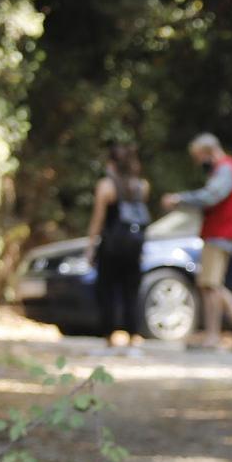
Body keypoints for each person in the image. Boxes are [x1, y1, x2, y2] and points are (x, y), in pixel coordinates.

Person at [160, 133, 232, 348]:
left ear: (209, 152)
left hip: (220, 234)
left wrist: (179, 199)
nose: (197, 162)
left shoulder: (225, 169)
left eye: (198, 157)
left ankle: (213, 336)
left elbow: (210, 196)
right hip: (217, 233)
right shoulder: (223, 168)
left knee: (210, 286)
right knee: (213, 284)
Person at [84, 142, 149, 346]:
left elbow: (98, 219)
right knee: (131, 289)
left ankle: (109, 334)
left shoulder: (106, 185)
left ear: (111, 163)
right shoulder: (142, 186)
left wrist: (90, 245)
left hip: (111, 246)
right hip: (134, 246)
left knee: (107, 288)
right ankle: (133, 334)